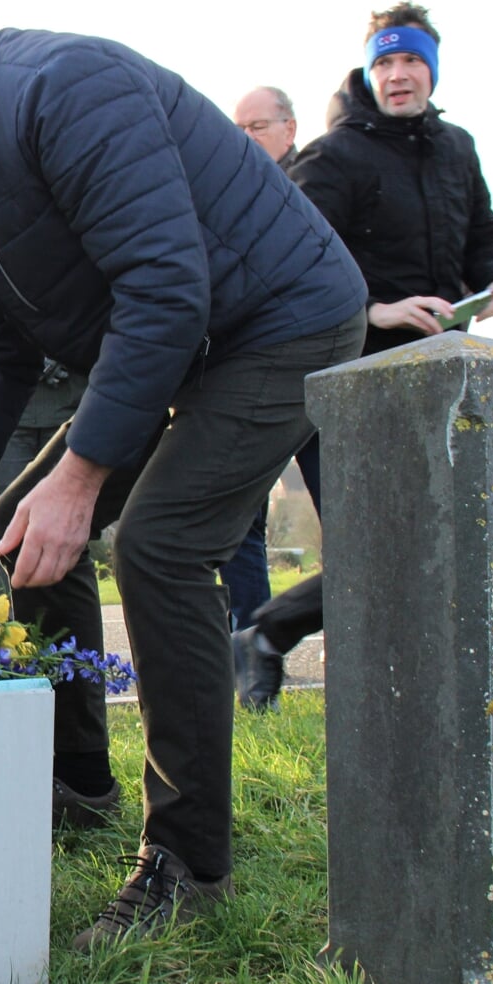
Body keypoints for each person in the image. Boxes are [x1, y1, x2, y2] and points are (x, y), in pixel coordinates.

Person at [0, 28, 367, 948]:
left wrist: (84, 472)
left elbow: (165, 287)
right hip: (182, 345)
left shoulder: (65, 93)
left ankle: (187, 863)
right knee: (21, 523)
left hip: (280, 323)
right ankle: (78, 782)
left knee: (161, 547)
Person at [239, 3, 493, 711]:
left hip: (437, 375)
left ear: (430, 69)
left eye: (410, 61)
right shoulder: (335, 156)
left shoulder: (457, 148)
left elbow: (482, 231)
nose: (398, 75)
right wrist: (376, 309)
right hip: (344, 375)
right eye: (385, 62)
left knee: (432, 537)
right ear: (369, 72)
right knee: (377, 541)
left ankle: (366, 674)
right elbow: (284, 257)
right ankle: (268, 633)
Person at [218, 85, 302, 662]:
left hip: (316, 369)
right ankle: (251, 640)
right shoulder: (230, 194)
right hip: (245, 376)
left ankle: (306, 632)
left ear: (290, 129)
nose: (244, 138)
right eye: (237, 127)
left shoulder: (314, 186)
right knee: (241, 524)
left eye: (257, 127)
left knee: (351, 523)